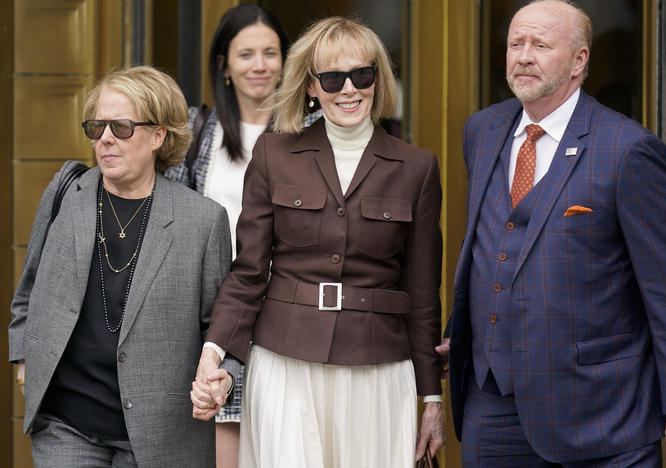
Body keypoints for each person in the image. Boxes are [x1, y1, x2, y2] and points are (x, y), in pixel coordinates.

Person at [441, 0, 666, 466]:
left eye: (540, 44)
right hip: (492, 403)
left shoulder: (630, 151)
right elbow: (488, 246)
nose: (523, 56)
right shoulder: (482, 131)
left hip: (600, 414)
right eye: (515, 43)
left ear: (580, 60)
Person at [190, 16, 447, 468]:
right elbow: (249, 272)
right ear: (312, 87)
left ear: (377, 79)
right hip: (284, 363)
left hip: (378, 367)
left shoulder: (417, 167)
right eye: (332, 78)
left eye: (361, 75)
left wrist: (431, 397)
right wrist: (213, 354)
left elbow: (423, 294)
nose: (349, 89)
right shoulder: (273, 156)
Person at [9, 66, 233, 468]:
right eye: (98, 127)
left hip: (159, 434)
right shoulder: (66, 194)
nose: (106, 138)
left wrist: (223, 377)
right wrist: (26, 363)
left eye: (122, 127)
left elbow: (222, 327)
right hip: (66, 425)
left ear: (158, 136)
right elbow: (27, 293)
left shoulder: (203, 221)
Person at [165, 5, 289, 466]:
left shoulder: (311, 133)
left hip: (288, 316)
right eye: (246, 54)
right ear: (224, 64)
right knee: (225, 450)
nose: (260, 66)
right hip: (217, 318)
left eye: (271, 53)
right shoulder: (199, 135)